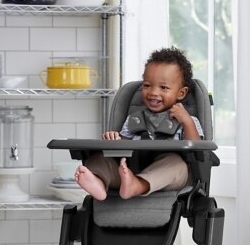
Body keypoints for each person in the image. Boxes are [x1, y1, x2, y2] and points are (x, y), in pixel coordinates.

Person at [74, 47, 203, 201]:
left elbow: (198, 150)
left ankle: (138, 185)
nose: (153, 92)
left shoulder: (188, 121)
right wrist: (115, 140)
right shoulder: (134, 119)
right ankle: (99, 182)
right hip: (129, 171)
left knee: (175, 164)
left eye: (163, 87)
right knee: (97, 158)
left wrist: (186, 121)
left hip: (169, 177)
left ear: (181, 93)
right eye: (147, 85)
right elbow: (123, 150)